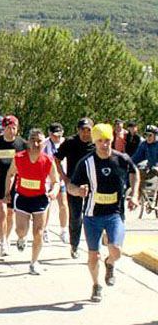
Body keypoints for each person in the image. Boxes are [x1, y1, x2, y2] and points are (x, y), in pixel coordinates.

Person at [67, 123, 139, 303]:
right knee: (93, 255)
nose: (104, 144)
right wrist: (78, 191)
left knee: (116, 251)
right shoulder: (86, 162)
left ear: (112, 140)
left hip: (114, 213)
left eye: (107, 140)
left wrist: (134, 194)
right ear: (95, 141)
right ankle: (96, 285)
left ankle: (110, 263)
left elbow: (135, 172)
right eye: (100, 141)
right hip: (92, 215)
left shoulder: (121, 158)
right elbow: (71, 186)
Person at [5, 129, 61, 275]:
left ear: (44, 142)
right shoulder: (19, 157)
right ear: (28, 142)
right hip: (22, 197)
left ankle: (34, 262)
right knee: (21, 230)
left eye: (39, 141)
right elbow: (10, 174)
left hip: (40, 199)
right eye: (33, 140)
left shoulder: (48, 160)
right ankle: (21, 239)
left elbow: (56, 181)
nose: (36, 143)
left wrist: (54, 191)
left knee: (38, 232)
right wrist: (7, 192)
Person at [0, 115, 26, 256]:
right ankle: (2, 242)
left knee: (10, 213)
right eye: (8, 128)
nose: (11, 131)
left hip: (15, 181)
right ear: (4, 128)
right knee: (1, 212)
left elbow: (28, 159)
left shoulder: (22, 144)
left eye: (13, 128)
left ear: (17, 128)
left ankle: (7, 239)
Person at [55, 118, 96, 259]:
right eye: (83, 130)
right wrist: (64, 177)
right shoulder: (70, 143)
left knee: (94, 216)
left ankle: (95, 247)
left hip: (93, 185)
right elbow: (57, 159)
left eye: (88, 130)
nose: (85, 133)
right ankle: (74, 245)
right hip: (74, 185)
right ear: (78, 130)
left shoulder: (97, 143)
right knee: (76, 217)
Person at [42, 123, 68, 244]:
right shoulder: (44, 144)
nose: (57, 137)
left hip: (61, 177)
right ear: (49, 133)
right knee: (47, 205)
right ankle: (45, 230)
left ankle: (63, 231)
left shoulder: (66, 143)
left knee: (63, 203)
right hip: (47, 179)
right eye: (54, 135)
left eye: (59, 135)